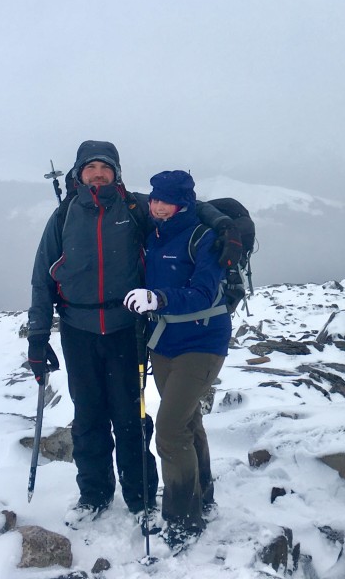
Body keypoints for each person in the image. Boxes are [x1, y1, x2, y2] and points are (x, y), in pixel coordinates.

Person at [26, 141, 240, 527]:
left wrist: (225, 225)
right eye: (90, 167)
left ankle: (141, 496)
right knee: (88, 418)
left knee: (130, 416)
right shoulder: (63, 216)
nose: (98, 174)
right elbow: (42, 279)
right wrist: (38, 339)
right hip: (78, 330)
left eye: (105, 167)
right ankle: (93, 494)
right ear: (78, 173)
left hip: (127, 330)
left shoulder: (135, 207)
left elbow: (186, 206)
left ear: (116, 172)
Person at [124, 170, 232, 551]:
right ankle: (204, 495)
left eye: (165, 200)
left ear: (183, 203)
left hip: (202, 342)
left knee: (169, 430)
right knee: (188, 420)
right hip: (164, 344)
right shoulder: (153, 235)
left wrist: (160, 299)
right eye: (154, 199)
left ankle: (183, 519)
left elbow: (204, 291)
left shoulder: (203, 238)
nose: (156, 205)